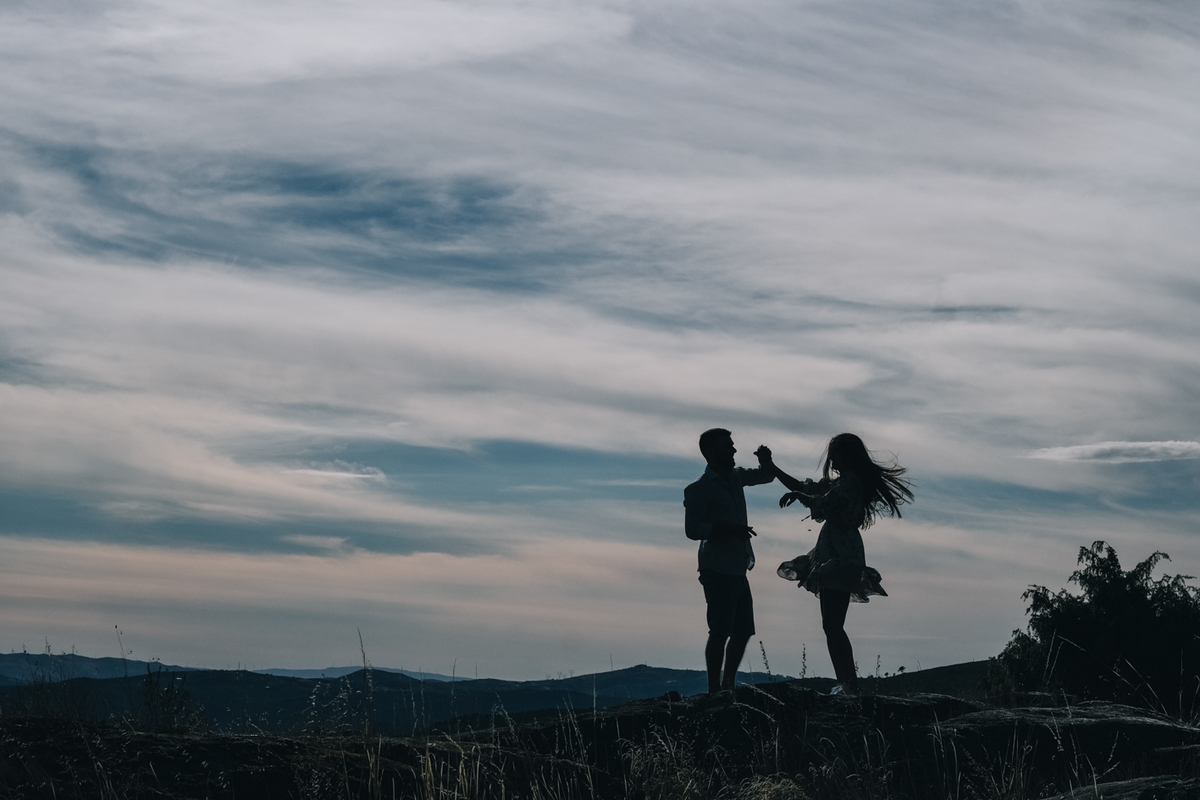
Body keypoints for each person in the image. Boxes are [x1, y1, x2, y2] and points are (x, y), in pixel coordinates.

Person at [760, 433, 912, 696]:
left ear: (848, 456)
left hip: (840, 555)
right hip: (835, 553)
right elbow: (805, 487)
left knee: (832, 624)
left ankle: (848, 683)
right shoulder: (845, 482)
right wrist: (773, 469)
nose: (833, 460)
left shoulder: (851, 483)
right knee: (831, 624)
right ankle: (847, 681)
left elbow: (822, 503)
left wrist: (798, 494)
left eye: (837, 454)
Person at [683, 428, 776, 694]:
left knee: (743, 629)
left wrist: (766, 460)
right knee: (720, 630)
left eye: (732, 445)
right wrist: (727, 529)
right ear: (711, 451)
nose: (734, 450)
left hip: (737, 565)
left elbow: (767, 476)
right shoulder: (698, 489)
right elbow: (692, 529)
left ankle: (727, 685)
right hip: (716, 566)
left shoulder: (736, 477)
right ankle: (716, 690)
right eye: (727, 446)